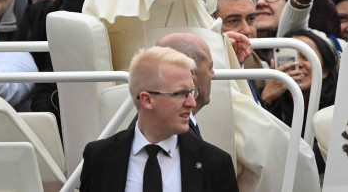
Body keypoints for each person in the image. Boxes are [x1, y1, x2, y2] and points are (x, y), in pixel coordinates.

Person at [82, 0, 321, 191]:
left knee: (292, 155)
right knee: (290, 156)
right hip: (168, 95)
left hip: (202, 85)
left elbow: (179, 11)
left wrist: (222, 42)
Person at [79, 46, 238, 192]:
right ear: (147, 100)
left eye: (191, 92)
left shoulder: (215, 163)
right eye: (180, 93)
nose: (191, 102)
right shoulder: (99, 157)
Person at [260, 28, 338, 173]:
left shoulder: (339, 104)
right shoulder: (266, 98)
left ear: (325, 70)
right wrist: (266, 98)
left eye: (306, 57)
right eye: (291, 57)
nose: (298, 64)